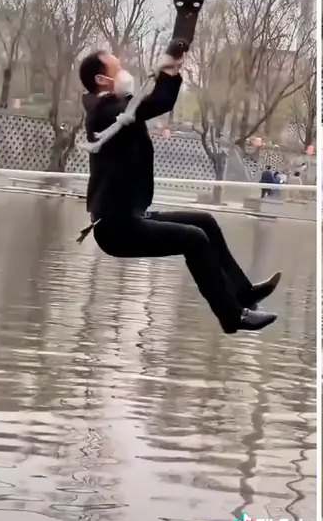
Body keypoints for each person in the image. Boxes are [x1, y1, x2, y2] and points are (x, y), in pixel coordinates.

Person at [77, 48, 280, 334]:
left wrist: (172, 67)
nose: (125, 73)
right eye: (117, 68)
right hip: (116, 229)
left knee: (204, 222)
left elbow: (158, 101)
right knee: (194, 240)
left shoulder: (117, 108)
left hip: (131, 218)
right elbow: (156, 103)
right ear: (101, 79)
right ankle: (232, 316)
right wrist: (168, 71)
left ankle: (243, 292)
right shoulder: (105, 114)